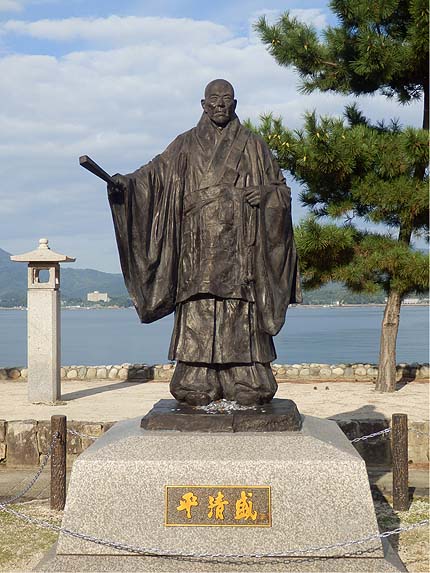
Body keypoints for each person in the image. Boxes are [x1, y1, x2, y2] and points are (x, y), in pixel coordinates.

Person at [108, 79, 301, 406]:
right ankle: (197, 375)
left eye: (226, 99)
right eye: (214, 99)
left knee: (240, 308)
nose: (220, 105)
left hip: (242, 247)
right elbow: (151, 176)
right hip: (196, 247)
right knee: (199, 304)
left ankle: (246, 375)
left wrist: (267, 195)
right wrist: (125, 185)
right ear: (203, 104)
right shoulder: (184, 144)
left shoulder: (254, 146)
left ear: (235, 104)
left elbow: (281, 191)